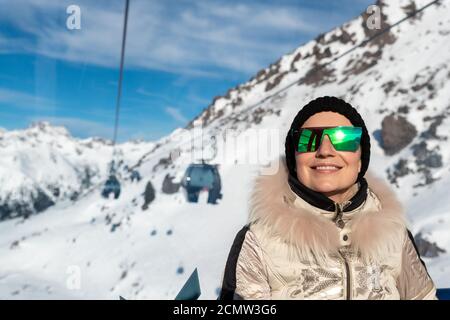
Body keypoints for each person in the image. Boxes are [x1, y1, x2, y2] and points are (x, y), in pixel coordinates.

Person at [219, 96, 437, 300]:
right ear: (295, 158)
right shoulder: (258, 240)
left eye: (344, 139)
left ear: (361, 159)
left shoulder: (395, 234)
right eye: (308, 139)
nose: (325, 150)